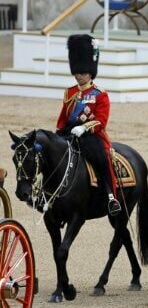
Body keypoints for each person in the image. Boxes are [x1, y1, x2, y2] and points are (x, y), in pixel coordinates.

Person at [56, 34, 121, 215]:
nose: (79, 76)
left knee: (101, 158)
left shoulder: (101, 95)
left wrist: (84, 127)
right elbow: (63, 118)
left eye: (83, 73)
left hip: (91, 136)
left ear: (90, 72)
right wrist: (59, 133)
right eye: (77, 72)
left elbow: (101, 120)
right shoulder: (69, 92)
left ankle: (110, 196)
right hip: (70, 133)